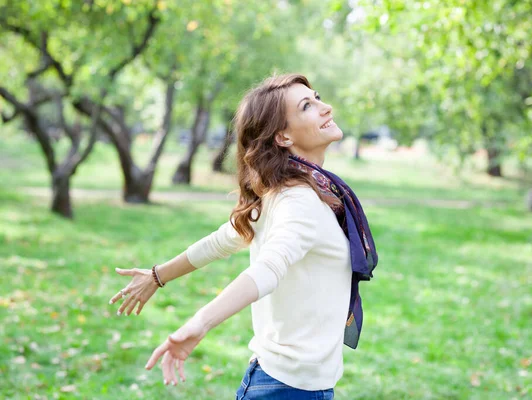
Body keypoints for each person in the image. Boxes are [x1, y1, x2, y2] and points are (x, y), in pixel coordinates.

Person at [109, 74, 378, 399]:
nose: (325, 107)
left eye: (317, 97)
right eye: (307, 106)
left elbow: (225, 239)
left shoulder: (288, 190)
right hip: (289, 390)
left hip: (282, 383)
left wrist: (157, 276)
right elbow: (267, 269)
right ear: (282, 136)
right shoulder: (299, 200)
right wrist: (199, 323)